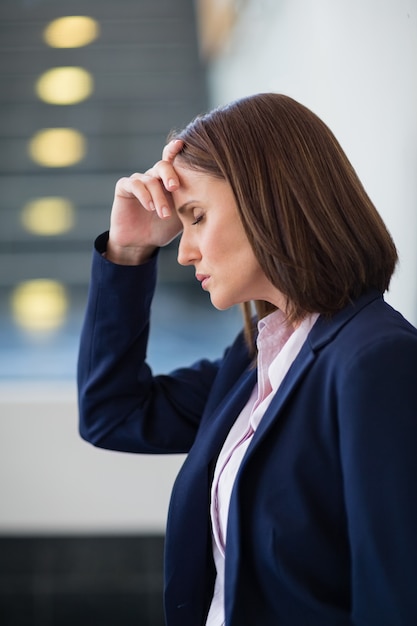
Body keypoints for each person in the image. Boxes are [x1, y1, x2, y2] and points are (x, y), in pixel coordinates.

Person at [77, 93, 417, 626]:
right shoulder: (260, 356)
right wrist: (128, 251)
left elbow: (392, 597)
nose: (184, 251)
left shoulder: (374, 361)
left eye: (196, 217)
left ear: (270, 199)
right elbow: (112, 414)